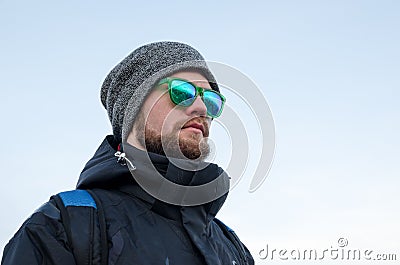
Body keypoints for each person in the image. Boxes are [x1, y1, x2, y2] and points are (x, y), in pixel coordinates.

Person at [1, 41, 254, 265]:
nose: (200, 108)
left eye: (211, 100)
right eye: (182, 92)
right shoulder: (64, 225)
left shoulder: (233, 248)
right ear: (135, 105)